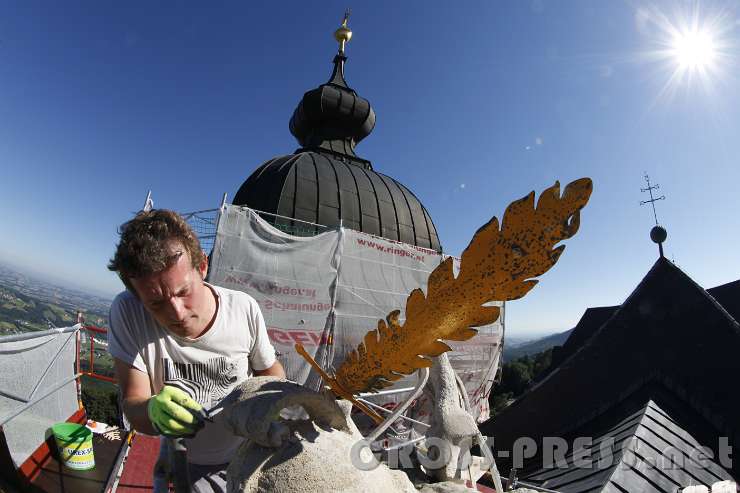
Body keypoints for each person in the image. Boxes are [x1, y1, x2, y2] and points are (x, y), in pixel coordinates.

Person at [107, 209, 285, 492]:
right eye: (155, 303)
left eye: (182, 292)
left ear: (202, 267)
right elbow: (133, 403)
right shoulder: (127, 311)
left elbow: (270, 372)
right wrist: (152, 410)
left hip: (245, 452)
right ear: (136, 296)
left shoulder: (242, 309)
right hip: (181, 458)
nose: (176, 313)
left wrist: (280, 407)